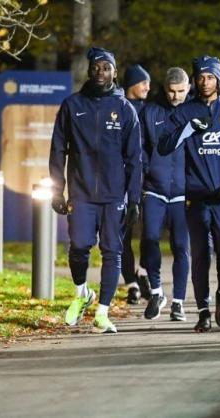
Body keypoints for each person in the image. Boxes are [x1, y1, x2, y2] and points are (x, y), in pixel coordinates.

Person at [49, 47, 142, 334]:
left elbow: (135, 159)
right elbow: (57, 150)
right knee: (78, 247)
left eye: (106, 67)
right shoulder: (72, 105)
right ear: (89, 71)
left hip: (114, 195)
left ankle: (102, 312)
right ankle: (82, 294)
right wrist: (57, 189)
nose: (100, 72)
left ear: (115, 72)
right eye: (96, 67)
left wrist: (134, 199)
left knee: (112, 251)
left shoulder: (125, 109)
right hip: (81, 193)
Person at [158, 55, 220, 332]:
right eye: (200, 77)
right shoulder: (185, 110)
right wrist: (187, 129)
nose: (205, 82)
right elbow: (164, 146)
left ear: (218, 79)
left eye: (210, 77)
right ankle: (202, 311)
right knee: (200, 254)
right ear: (194, 80)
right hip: (196, 196)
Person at [139, 67, 191, 321]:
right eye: (171, 91)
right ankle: (157, 292)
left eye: (181, 91)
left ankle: (179, 301)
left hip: (183, 194)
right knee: (149, 240)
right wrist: (147, 171)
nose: (175, 96)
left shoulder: (195, 111)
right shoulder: (150, 111)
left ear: (188, 88)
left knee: (181, 247)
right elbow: (140, 149)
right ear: (164, 88)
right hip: (155, 190)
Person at [122, 64, 152, 304]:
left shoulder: (151, 109)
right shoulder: (120, 107)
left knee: (148, 230)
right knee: (124, 232)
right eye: (143, 82)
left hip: (147, 178)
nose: (147, 87)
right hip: (122, 179)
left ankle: (143, 271)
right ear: (131, 83)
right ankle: (130, 282)